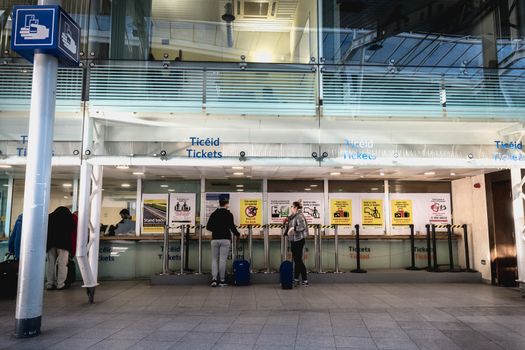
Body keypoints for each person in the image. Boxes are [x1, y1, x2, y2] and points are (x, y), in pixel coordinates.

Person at [206, 199, 240, 287]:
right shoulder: (229, 214)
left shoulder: (214, 214)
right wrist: (237, 234)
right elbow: (232, 226)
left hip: (215, 239)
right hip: (225, 239)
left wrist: (216, 229)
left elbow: (208, 227)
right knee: (222, 260)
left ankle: (214, 279)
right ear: (226, 204)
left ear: (219, 204)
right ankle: (221, 280)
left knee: (214, 259)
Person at [46, 206, 75, 290]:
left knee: (50, 264)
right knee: (62, 264)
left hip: (51, 244)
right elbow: (73, 228)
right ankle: (60, 284)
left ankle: (49, 284)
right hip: (64, 244)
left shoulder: (50, 217)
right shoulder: (68, 217)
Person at [287, 201, 309, 287]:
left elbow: (302, 227)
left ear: (296, 208)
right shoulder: (293, 216)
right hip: (293, 240)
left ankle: (305, 279)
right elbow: (290, 222)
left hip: (299, 240)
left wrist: (293, 228)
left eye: (292, 207)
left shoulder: (300, 216)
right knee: (296, 260)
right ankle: (296, 279)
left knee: (298, 260)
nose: (291, 208)